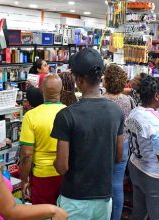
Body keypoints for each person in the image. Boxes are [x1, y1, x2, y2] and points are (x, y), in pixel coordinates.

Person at [51, 48, 124, 220]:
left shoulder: (66, 115)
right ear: (101, 78)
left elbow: (62, 166)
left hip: (75, 198)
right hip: (104, 197)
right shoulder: (116, 111)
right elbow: (118, 156)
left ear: (79, 80)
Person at [126, 75, 159, 220]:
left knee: (139, 210)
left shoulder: (134, 112)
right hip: (155, 175)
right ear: (156, 96)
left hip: (136, 165)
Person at [19, 74, 66, 205]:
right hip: (66, 174)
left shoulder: (31, 116)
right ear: (61, 90)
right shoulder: (69, 112)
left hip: (42, 175)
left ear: (41, 90)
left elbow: (27, 154)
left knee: (42, 214)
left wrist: (24, 180)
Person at [102, 64, 135, 220]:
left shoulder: (101, 100)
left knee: (103, 182)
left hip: (104, 145)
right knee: (117, 184)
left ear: (106, 81)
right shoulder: (128, 100)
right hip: (124, 143)